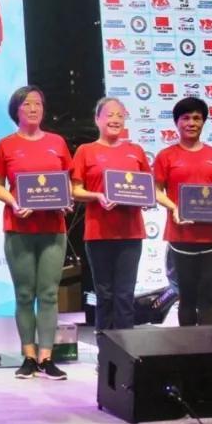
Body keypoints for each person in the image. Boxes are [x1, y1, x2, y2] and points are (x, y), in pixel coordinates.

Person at [0, 85, 73, 380]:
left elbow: (67, 181)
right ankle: (28, 355)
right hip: (19, 228)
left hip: (53, 229)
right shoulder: (5, 145)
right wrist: (14, 202)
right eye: (26, 104)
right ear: (16, 110)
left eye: (38, 103)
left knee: (49, 294)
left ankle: (46, 358)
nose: (33, 108)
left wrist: (66, 200)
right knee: (24, 294)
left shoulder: (57, 142)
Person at [71, 98, 149, 332]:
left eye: (120, 115)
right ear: (97, 119)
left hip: (131, 233)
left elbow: (147, 188)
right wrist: (97, 196)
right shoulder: (86, 151)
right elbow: (75, 190)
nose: (115, 119)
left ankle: (127, 350)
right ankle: (105, 349)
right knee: (104, 295)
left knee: (125, 295)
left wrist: (145, 200)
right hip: (98, 233)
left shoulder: (136, 151)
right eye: (109, 115)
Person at [153, 97, 212, 327]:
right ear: (177, 123)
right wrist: (174, 208)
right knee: (186, 298)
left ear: (204, 122)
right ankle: (188, 346)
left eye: (197, 118)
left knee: (209, 298)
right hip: (181, 237)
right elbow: (156, 191)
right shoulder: (166, 156)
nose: (191, 123)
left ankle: (208, 345)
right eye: (185, 118)